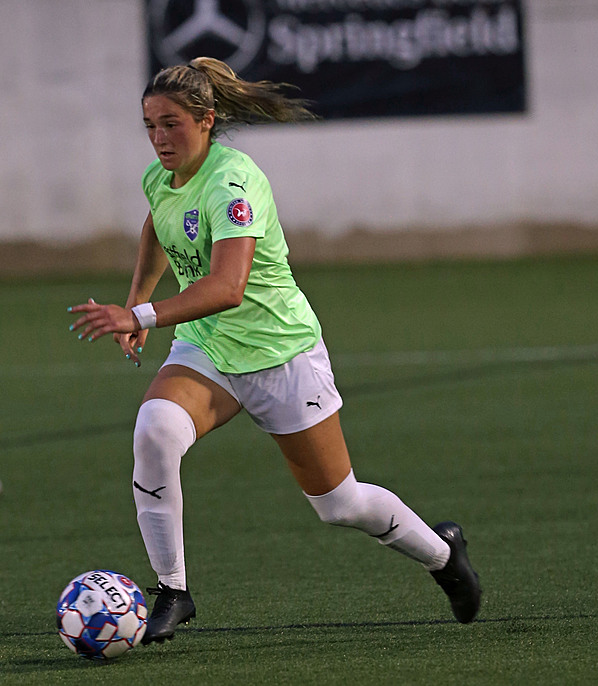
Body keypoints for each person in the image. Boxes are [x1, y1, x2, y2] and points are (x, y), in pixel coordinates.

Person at [68, 57, 482, 644]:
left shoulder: (233, 182)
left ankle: (443, 555)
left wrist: (140, 315)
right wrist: (137, 298)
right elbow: (158, 225)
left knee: (339, 503)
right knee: (155, 431)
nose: (159, 138)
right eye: (150, 126)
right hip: (209, 346)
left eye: (171, 124)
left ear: (206, 120)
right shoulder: (161, 177)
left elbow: (228, 287)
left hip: (279, 354)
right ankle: (173, 590)